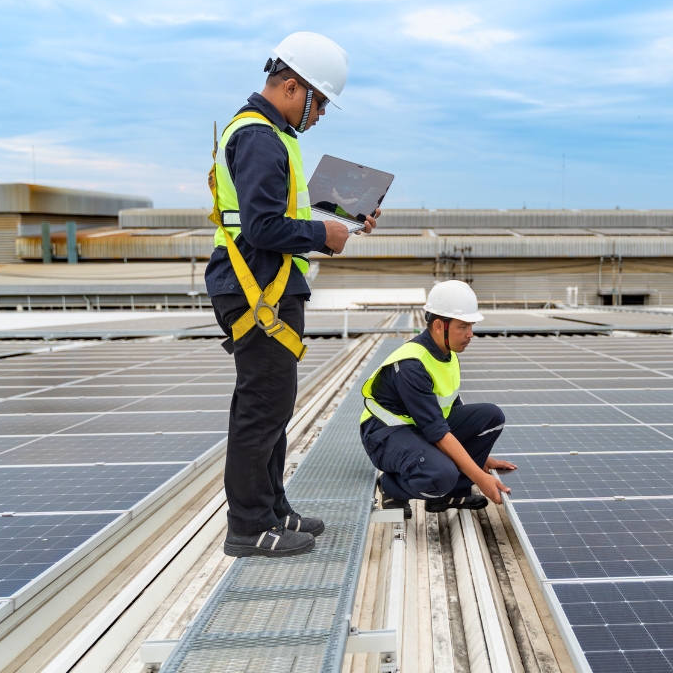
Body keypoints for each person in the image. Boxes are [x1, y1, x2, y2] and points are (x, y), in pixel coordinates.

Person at [207, 31, 379, 558]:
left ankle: (274, 508)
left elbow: (279, 213)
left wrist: (342, 216)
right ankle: (248, 525)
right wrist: (324, 237)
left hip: (265, 286)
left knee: (273, 407)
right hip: (257, 289)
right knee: (261, 409)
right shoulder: (260, 136)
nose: (320, 113)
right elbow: (261, 227)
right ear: (290, 86)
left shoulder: (270, 135)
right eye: (319, 101)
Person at [359, 281, 517, 517]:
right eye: (463, 326)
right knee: (440, 475)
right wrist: (480, 477)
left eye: (471, 326)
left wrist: (481, 459)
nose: (470, 334)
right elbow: (437, 430)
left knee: (492, 417)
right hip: (385, 434)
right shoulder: (412, 365)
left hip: (419, 427)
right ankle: (392, 488)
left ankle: (452, 494)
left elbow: (452, 409)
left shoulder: (447, 354)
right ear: (438, 325)